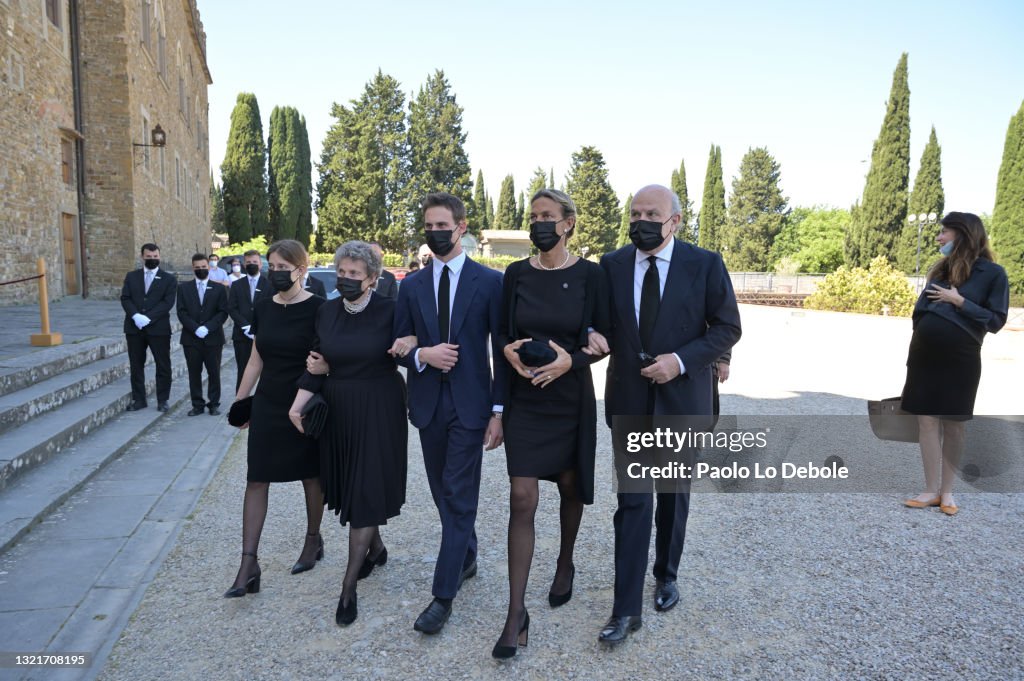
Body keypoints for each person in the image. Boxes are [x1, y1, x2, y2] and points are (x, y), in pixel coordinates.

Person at [587, 185, 741, 644]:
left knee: (673, 496)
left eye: (652, 213)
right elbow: (595, 319)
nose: (642, 221)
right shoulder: (612, 265)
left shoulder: (705, 264)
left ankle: (666, 574)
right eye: (635, 213)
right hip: (630, 401)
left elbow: (728, 327)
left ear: (675, 221)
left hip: (682, 401)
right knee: (633, 501)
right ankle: (624, 609)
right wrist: (593, 331)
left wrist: (680, 360)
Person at [493, 189, 611, 659]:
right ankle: (515, 613)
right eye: (534, 216)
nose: (539, 223)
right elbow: (501, 333)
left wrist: (572, 362)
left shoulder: (591, 275)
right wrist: (505, 356)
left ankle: (565, 562)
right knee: (521, 497)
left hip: (569, 399)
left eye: (548, 216)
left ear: (568, 224)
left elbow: (606, 339)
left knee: (569, 488)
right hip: (524, 399)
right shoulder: (515, 274)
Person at [391, 192, 508, 635]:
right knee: (443, 491)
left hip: (471, 406)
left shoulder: (490, 282)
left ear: (461, 228)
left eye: (443, 225)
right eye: (429, 226)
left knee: (459, 495)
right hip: (426, 406)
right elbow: (400, 344)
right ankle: (468, 555)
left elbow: (501, 352)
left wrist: (499, 411)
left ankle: (443, 596)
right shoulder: (411, 285)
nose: (435, 232)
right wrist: (423, 353)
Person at [289, 241, 409, 627]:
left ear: (372, 279)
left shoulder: (392, 311)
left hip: (379, 408)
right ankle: (375, 549)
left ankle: (347, 587)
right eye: (342, 272)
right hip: (339, 408)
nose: (345, 279)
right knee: (346, 485)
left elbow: (413, 348)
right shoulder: (326, 312)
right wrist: (298, 402)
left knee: (366, 486)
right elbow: (316, 361)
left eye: (354, 274)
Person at [224, 239, 326, 598]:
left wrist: (305, 397)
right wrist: (241, 402)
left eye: (284, 267)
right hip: (268, 403)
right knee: (256, 479)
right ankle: (248, 563)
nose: (277, 273)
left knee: (310, 477)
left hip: (303, 400)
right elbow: (256, 359)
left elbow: (322, 360)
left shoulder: (319, 308)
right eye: (273, 266)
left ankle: (313, 540)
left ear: (302, 269)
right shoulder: (263, 306)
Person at [900, 212, 1009, 516]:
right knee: (926, 423)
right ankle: (929, 490)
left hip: (961, 360)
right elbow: (920, 310)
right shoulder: (941, 270)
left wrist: (959, 301)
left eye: (945, 232)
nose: (939, 238)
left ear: (963, 234)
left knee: (955, 426)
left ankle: (947, 493)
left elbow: (997, 320)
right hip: (924, 356)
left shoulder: (994, 274)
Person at [120, 243, 176, 412]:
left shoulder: (169, 279)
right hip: (134, 327)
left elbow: (167, 302)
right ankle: (139, 399)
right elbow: (125, 298)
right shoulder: (132, 276)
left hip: (158, 328)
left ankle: (163, 400)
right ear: (142, 257)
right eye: (149, 257)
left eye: (155, 257)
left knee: (163, 365)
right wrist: (135, 315)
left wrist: (148, 318)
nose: (152, 259)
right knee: (136, 365)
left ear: (159, 256)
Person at [176, 253, 228, 417]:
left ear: (209, 267)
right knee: (194, 372)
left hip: (213, 338)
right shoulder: (184, 288)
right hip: (191, 338)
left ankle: (214, 403)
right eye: (197, 268)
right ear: (193, 268)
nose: (201, 270)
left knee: (214, 372)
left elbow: (223, 312)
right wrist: (195, 328)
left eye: (203, 267)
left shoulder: (219, 288)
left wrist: (208, 327)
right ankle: (197, 404)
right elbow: (181, 311)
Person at [227, 250, 269, 392]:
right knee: (243, 371)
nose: (252, 265)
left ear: (260, 264)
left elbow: (272, 308)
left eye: (255, 262)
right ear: (244, 264)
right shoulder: (237, 285)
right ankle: (240, 406)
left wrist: (258, 327)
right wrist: (245, 326)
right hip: (242, 335)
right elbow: (232, 308)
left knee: (265, 373)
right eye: (249, 262)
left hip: (263, 335)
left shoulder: (269, 284)